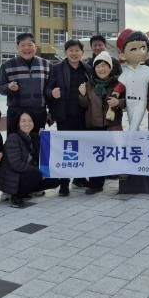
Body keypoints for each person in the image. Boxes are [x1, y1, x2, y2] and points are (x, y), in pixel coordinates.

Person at [45, 39, 92, 196]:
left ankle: (79, 178)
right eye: (71, 50)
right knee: (67, 149)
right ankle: (64, 183)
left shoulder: (87, 69)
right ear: (66, 52)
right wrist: (52, 93)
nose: (74, 53)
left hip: (83, 115)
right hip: (65, 116)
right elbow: (46, 90)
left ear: (82, 52)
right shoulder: (56, 68)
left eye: (77, 50)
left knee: (82, 147)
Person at [78, 51, 126, 194]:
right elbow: (84, 105)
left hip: (112, 125)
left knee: (115, 154)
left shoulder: (119, 84)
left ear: (110, 67)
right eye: (98, 66)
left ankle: (122, 182)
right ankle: (95, 184)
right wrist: (82, 95)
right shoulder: (88, 84)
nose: (101, 69)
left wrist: (119, 102)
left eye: (104, 65)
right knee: (96, 156)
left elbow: (129, 101)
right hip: (94, 125)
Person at [0, 112, 61, 208]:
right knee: (36, 174)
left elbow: (41, 157)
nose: (27, 123)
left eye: (30, 121)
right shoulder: (13, 138)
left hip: (27, 174)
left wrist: (43, 138)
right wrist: (39, 172)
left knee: (54, 180)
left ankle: (26, 191)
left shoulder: (33, 137)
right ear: (18, 123)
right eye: (23, 121)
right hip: (13, 177)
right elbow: (16, 165)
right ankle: (16, 196)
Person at [0, 32, 51, 134]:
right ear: (17, 47)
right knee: (14, 139)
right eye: (23, 45)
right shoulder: (7, 65)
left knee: (37, 140)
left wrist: (51, 111)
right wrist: (8, 87)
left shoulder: (46, 64)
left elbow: (50, 89)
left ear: (35, 47)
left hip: (39, 111)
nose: (27, 48)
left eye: (30, 45)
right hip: (16, 112)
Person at [111, 30, 149, 131]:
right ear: (123, 55)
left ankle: (132, 140)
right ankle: (138, 140)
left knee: (133, 128)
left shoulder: (148, 70)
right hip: (129, 102)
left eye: (143, 48)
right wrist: (111, 105)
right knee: (134, 125)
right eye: (133, 49)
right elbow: (118, 89)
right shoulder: (125, 72)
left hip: (141, 101)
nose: (140, 52)